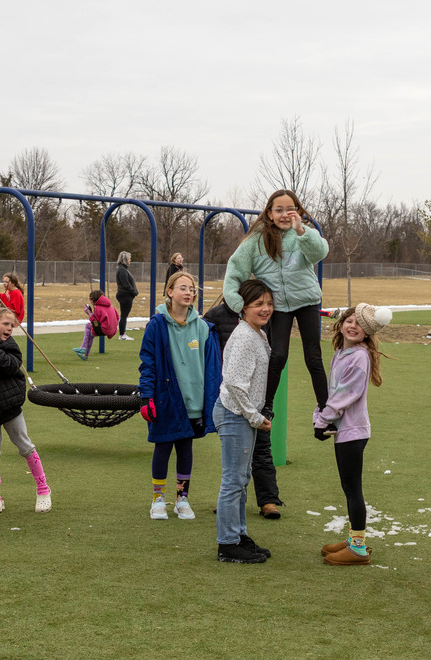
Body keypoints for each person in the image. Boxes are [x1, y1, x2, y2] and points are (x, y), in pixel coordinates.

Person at [222, 189, 329, 518]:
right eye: (278, 209)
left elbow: (320, 251)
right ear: (268, 213)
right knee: (277, 356)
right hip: (279, 306)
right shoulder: (255, 242)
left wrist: (302, 230)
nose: (285, 214)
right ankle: (264, 404)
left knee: (313, 357)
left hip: (307, 301)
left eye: (290, 209)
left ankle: (326, 411)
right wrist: (240, 305)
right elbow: (234, 273)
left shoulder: (303, 235)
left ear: (297, 211)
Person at [313, 303, 392, 566]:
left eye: (359, 324)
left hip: (353, 432)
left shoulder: (359, 356)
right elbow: (330, 392)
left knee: (353, 490)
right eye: (349, 320)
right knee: (348, 488)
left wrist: (322, 420)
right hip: (342, 430)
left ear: (367, 332)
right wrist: (320, 418)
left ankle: (358, 548)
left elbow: (346, 395)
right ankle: (353, 538)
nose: (352, 326)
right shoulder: (340, 353)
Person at [138, 271, 221, 521]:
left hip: (194, 402)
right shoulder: (156, 325)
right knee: (162, 447)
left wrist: (212, 401)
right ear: (169, 292)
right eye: (182, 287)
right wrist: (146, 396)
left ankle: (182, 499)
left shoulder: (204, 328)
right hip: (166, 399)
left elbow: (213, 370)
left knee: (186, 448)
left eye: (192, 288)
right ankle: (158, 499)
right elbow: (148, 362)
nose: (188, 292)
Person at [213, 279, 275, 563]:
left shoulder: (258, 334)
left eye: (269, 304)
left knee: (241, 479)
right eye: (258, 304)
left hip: (244, 415)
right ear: (244, 307)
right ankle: (227, 544)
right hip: (235, 414)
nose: (266, 309)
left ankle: (239, 535)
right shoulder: (243, 338)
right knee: (233, 480)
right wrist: (255, 416)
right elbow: (235, 385)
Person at [0, 307, 51, 514]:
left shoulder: (10, 347)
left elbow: (4, 363)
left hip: (8, 406)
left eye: (12, 325)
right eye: (5, 324)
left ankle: (43, 489)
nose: (10, 328)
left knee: (24, 445)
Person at [72, 289, 120, 360]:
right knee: (90, 333)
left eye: (90, 299)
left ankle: (83, 347)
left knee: (88, 325)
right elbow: (117, 317)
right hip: (112, 330)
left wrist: (89, 312)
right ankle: (85, 354)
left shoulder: (98, 308)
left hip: (104, 330)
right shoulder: (110, 306)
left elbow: (95, 322)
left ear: (92, 299)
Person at [115, 252, 138, 341]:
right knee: (124, 315)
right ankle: (122, 334)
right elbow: (126, 284)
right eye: (129, 259)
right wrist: (134, 292)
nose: (130, 260)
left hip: (126, 295)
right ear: (125, 260)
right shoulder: (122, 270)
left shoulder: (123, 269)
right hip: (125, 295)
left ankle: (122, 333)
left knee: (124, 315)